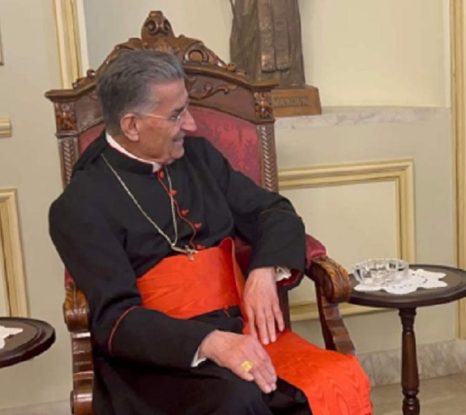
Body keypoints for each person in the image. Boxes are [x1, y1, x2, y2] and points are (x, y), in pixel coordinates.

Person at [49, 50, 370, 415]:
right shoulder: (80, 205)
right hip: (159, 362)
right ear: (132, 126)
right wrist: (209, 342)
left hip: (238, 328)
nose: (191, 124)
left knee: (337, 376)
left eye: (186, 108)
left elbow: (275, 212)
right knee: (239, 398)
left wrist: (264, 271)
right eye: (176, 115)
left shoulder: (200, 157)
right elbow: (116, 322)